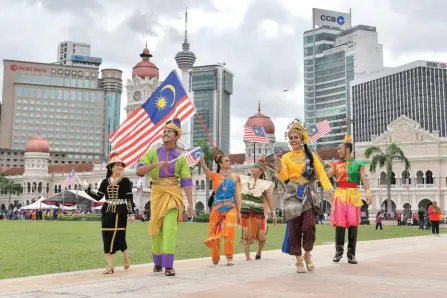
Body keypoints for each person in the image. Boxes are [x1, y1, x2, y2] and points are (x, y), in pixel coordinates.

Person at [136, 119, 194, 276]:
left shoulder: (181, 157)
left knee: (170, 228)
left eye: (169, 131)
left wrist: (190, 204)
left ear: (177, 136)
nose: (165, 133)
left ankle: (169, 265)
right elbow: (139, 171)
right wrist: (155, 165)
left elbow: (187, 181)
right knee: (157, 228)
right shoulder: (153, 152)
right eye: (164, 131)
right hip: (157, 192)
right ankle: (157, 262)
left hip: (174, 193)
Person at [276, 121, 334, 273]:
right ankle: (298, 260)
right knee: (294, 228)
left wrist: (329, 188)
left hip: (308, 193)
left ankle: (307, 254)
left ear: (302, 139)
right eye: (291, 138)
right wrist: (279, 170)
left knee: (309, 226)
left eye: (296, 137)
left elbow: (321, 173)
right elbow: (284, 177)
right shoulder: (286, 157)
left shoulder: (311, 156)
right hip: (292, 193)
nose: (293, 140)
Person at [85, 152, 135, 274]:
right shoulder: (105, 182)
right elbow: (98, 197)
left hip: (121, 211)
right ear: (111, 167)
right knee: (106, 237)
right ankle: (110, 266)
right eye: (117, 165)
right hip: (107, 210)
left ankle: (126, 258)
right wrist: (87, 190)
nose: (120, 167)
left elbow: (129, 198)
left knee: (120, 236)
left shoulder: (126, 181)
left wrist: (131, 213)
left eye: (121, 165)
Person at [326, 133, 373, 265]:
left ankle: (351, 254)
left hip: (353, 194)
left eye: (339, 148)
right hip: (340, 194)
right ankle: (338, 251)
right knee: (340, 224)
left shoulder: (359, 164)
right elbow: (325, 176)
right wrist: (318, 169)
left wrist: (368, 194)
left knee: (353, 224)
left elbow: (364, 179)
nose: (337, 151)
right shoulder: (336, 165)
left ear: (347, 149)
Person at [199, 154, 241, 266]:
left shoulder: (235, 178)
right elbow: (205, 169)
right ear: (220, 164)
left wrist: (239, 212)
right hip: (217, 208)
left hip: (231, 206)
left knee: (230, 229)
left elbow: (236, 196)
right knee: (215, 233)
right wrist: (202, 159)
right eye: (227, 161)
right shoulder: (215, 176)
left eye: (229, 160)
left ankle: (229, 257)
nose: (229, 162)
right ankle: (215, 257)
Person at [239, 156, 277, 261]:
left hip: (259, 213)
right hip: (246, 211)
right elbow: (232, 177)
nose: (252, 169)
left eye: (255, 168)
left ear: (260, 171)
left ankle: (259, 251)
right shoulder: (244, 180)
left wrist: (273, 214)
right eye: (253, 167)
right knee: (246, 235)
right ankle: (248, 257)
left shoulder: (265, 184)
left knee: (262, 237)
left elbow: (269, 200)